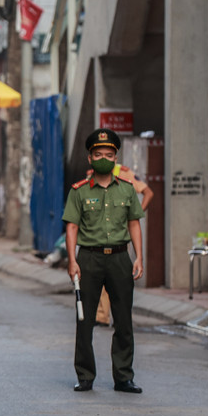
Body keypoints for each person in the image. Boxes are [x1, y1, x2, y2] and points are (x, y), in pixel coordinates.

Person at [62, 128, 144, 394]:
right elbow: (72, 227)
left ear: (115, 158)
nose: (103, 159)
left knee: (123, 320)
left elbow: (134, 224)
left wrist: (138, 256)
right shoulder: (79, 191)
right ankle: (85, 376)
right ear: (89, 158)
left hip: (120, 257)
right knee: (84, 320)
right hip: (89, 259)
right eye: (98, 154)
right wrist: (72, 260)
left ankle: (123, 377)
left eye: (109, 154)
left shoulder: (127, 190)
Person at [86, 163, 154, 326]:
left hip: (119, 236)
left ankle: (118, 316)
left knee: (118, 278)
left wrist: (135, 214)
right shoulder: (92, 174)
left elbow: (148, 193)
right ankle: (102, 316)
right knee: (102, 276)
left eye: (108, 154)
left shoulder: (124, 173)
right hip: (99, 235)